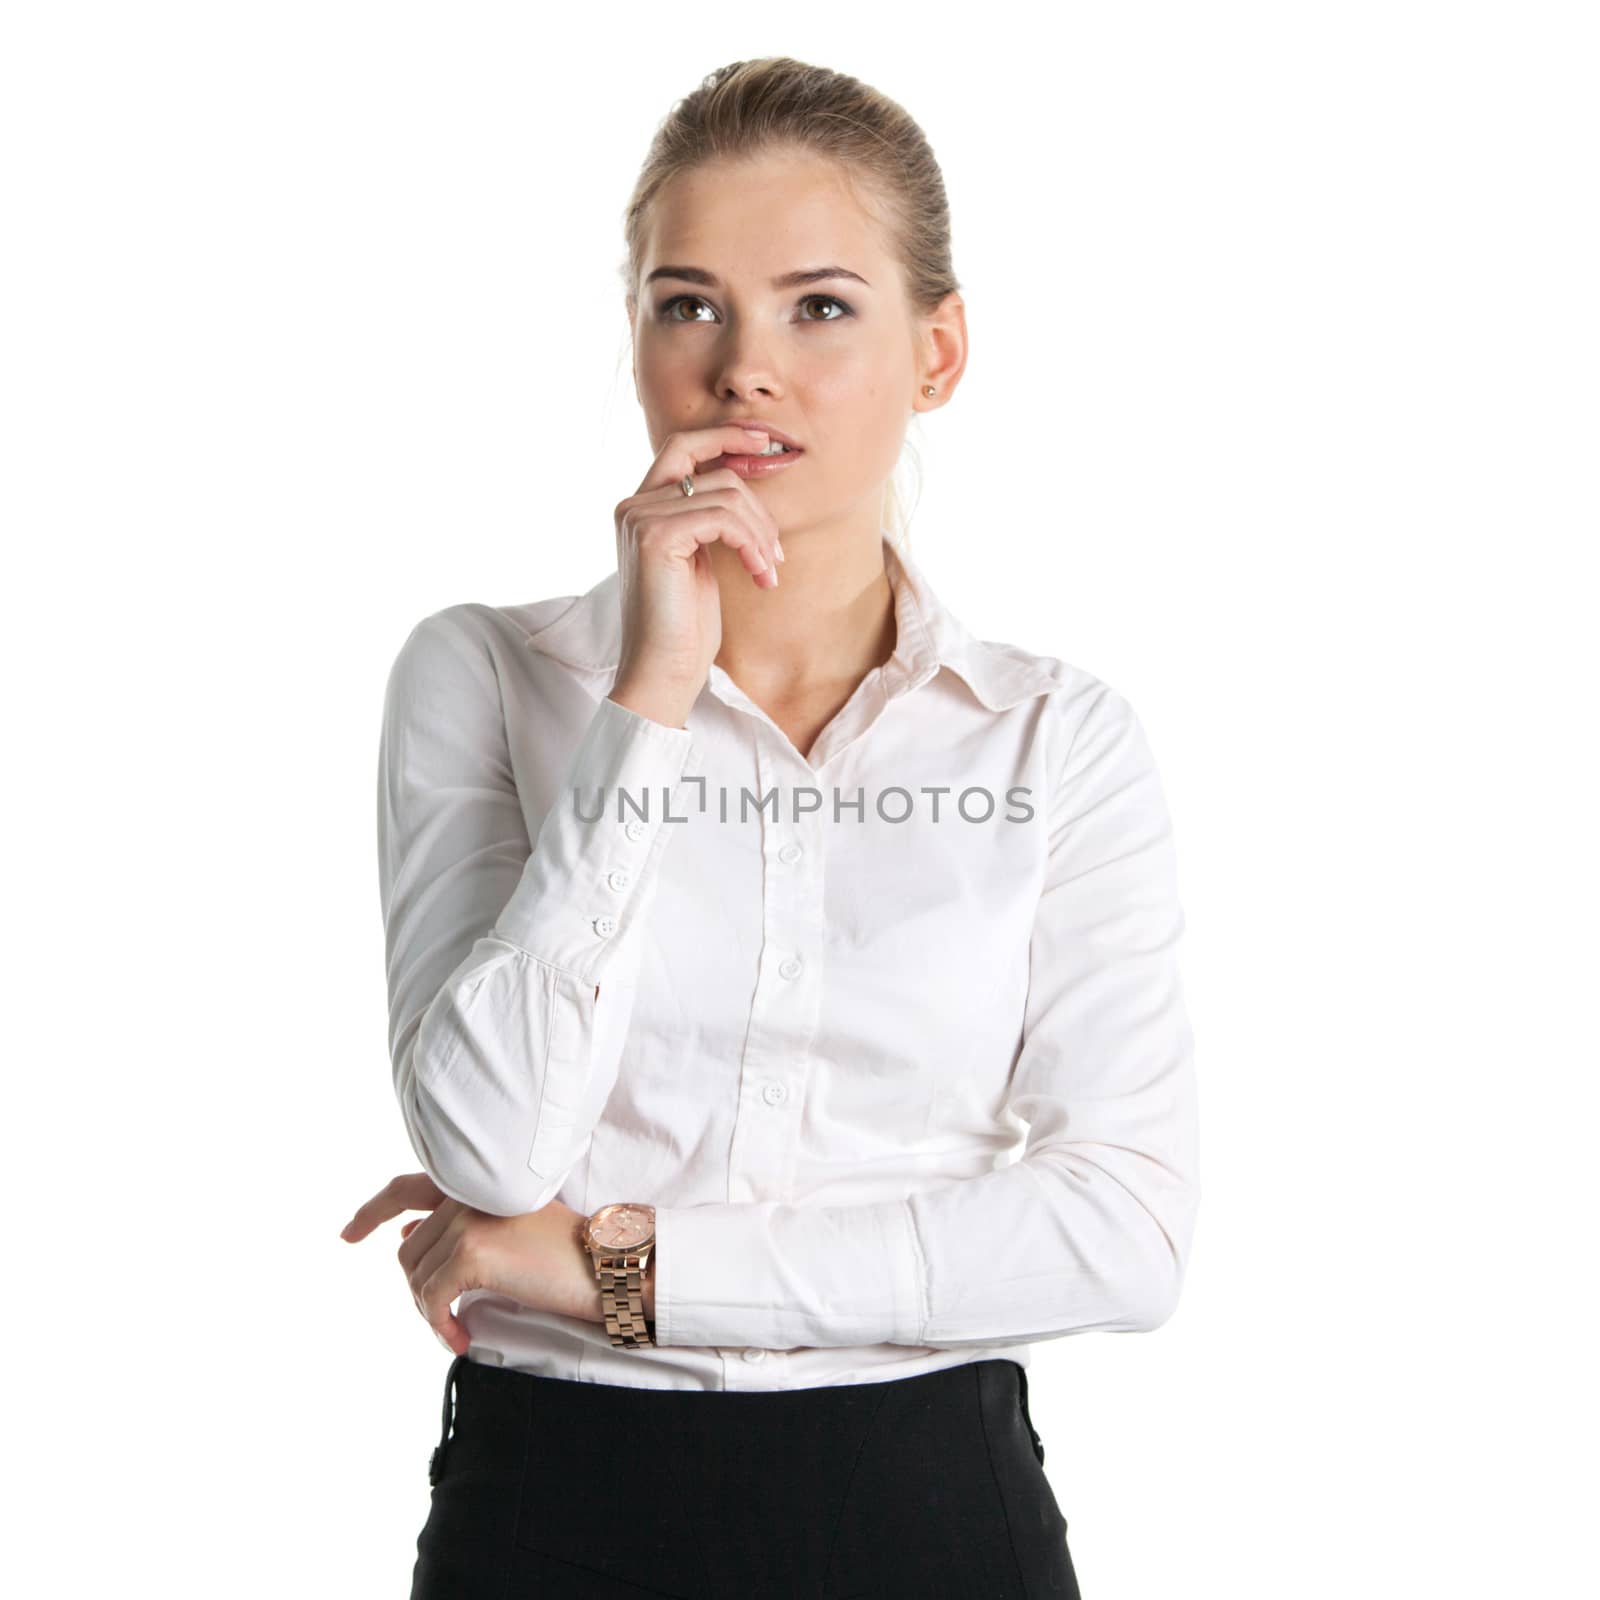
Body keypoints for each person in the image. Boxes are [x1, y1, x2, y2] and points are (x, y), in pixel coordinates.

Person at [340, 54, 1200, 1599]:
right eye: (689, 304)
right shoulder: (482, 674)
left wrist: (612, 1268)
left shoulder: (1056, 740)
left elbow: (1120, 1233)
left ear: (936, 353)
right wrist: (652, 692)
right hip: (557, 1498)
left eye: (820, 307)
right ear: (635, 344)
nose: (746, 368)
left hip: (932, 1505)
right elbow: (482, 1139)